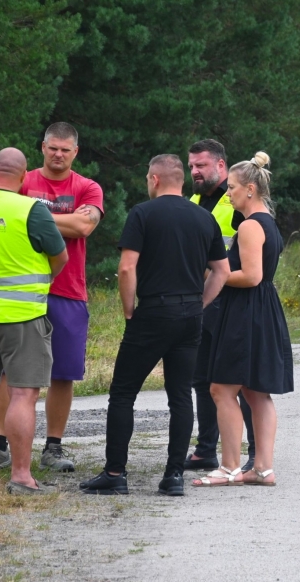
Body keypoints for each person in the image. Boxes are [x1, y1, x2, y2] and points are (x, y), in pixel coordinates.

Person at [79, 154, 229, 497]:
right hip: (190, 315)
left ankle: (116, 472)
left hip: (152, 313)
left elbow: (127, 268)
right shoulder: (204, 218)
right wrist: (200, 303)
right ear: (180, 179)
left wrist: (129, 308)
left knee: (123, 393)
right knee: (180, 396)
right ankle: (173, 475)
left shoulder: (143, 214)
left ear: (155, 179)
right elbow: (220, 270)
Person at [0, 122, 103, 475]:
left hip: (69, 290)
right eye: (53, 148)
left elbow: (85, 227)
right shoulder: (25, 180)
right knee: (9, 371)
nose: (59, 154)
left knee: (63, 373)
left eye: (66, 149)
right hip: (22, 290)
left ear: (75, 152)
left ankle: (53, 446)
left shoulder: (87, 186)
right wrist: (64, 219)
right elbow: (8, 216)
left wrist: (31, 215)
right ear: (42, 148)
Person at [0, 148, 69, 494]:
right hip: (22, 317)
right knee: (22, 395)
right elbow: (59, 256)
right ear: (24, 177)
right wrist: (42, 282)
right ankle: (20, 475)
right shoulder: (30, 209)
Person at [193, 151, 293, 487]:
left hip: (246, 310)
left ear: (250, 189)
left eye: (232, 188)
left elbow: (251, 276)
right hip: (261, 309)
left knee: (221, 389)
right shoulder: (267, 221)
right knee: (256, 392)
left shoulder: (250, 225)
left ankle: (230, 466)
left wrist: (214, 273)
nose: (228, 193)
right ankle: (262, 469)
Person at [183, 139, 255, 473]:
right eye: (192, 165)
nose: (195, 171)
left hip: (234, 300)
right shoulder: (193, 201)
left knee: (240, 382)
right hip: (202, 301)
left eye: (202, 165)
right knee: (201, 378)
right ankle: (205, 449)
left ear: (221, 166)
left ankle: (254, 453)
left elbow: (259, 248)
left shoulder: (240, 199)